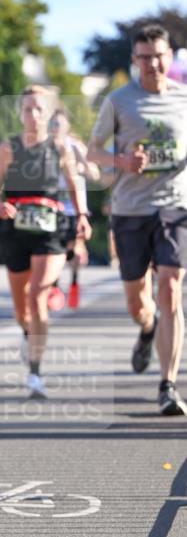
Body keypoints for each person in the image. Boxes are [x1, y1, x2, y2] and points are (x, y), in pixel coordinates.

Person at [88, 23, 187, 416]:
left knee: (171, 286)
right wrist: (122, 162)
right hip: (130, 210)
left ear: (169, 56)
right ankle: (147, 328)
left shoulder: (183, 99)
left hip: (175, 205)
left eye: (159, 55)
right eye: (144, 57)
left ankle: (168, 385)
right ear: (134, 60)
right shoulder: (118, 101)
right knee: (137, 301)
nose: (153, 63)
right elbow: (93, 152)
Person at [0, 85, 91, 398]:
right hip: (16, 228)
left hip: (50, 227)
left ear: (48, 114)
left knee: (37, 294)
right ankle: (26, 331)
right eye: (27, 109)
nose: (33, 115)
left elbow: (74, 186)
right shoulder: (8, 147)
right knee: (22, 309)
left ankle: (34, 372)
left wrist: (83, 217)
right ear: (20, 113)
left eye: (39, 109)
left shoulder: (60, 148)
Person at [47, 109, 100, 310]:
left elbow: (94, 173)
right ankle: (54, 286)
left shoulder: (76, 147)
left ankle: (75, 281)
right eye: (53, 124)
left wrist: (81, 168)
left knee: (75, 250)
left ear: (67, 126)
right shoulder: (46, 147)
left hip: (75, 207)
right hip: (54, 206)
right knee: (55, 250)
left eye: (59, 124)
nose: (56, 128)